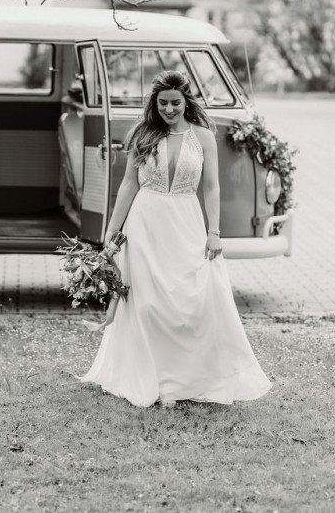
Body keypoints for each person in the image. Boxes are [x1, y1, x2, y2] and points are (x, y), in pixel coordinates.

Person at [79, 70, 272, 408]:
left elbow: (211, 187)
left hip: (185, 222)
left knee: (190, 300)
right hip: (145, 222)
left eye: (175, 103)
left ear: (186, 102)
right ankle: (152, 376)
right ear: (155, 103)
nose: (168, 109)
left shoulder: (203, 137)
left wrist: (214, 233)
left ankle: (189, 377)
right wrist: (112, 229)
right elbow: (129, 185)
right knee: (148, 301)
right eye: (162, 103)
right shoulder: (143, 134)